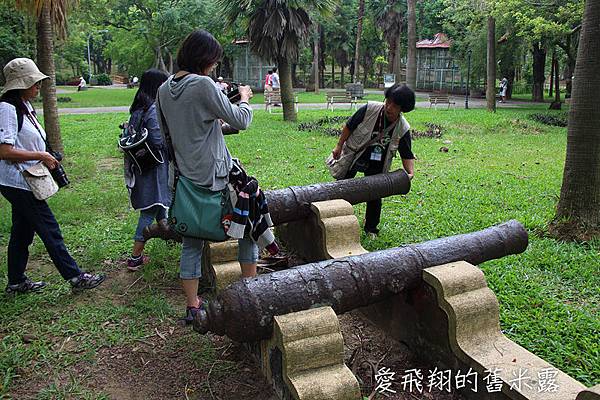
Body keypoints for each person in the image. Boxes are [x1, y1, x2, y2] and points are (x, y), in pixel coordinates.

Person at [156, 30, 276, 324]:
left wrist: (212, 123)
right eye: (213, 60)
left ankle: (192, 305)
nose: (214, 66)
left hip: (186, 178)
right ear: (204, 59)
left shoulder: (163, 89)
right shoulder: (203, 84)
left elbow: (176, 133)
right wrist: (245, 99)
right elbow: (242, 121)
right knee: (248, 226)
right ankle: (251, 290)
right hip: (217, 176)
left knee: (192, 242)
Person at [0, 58, 106, 294]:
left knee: (22, 231)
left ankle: (16, 282)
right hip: (19, 181)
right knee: (50, 229)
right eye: (33, 82)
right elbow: (4, 151)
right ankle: (76, 277)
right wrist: (41, 155)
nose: (38, 86)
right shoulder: (7, 108)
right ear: (20, 84)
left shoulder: (24, 106)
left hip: (24, 179)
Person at [330, 83, 416, 239]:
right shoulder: (369, 109)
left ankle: (371, 228)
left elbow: (406, 153)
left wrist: (410, 173)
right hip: (355, 154)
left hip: (378, 162)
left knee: (375, 195)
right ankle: (335, 218)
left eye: (394, 105)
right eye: (387, 101)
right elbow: (349, 126)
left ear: (402, 109)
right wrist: (338, 146)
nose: (389, 107)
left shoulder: (402, 127)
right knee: (342, 186)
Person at [123, 69, 171, 271]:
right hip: (154, 168)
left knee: (161, 205)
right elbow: (158, 140)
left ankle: (170, 236)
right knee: (149, 210)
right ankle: (135, 258)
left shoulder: (137, 108)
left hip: (143, 167)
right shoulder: (152, 108)